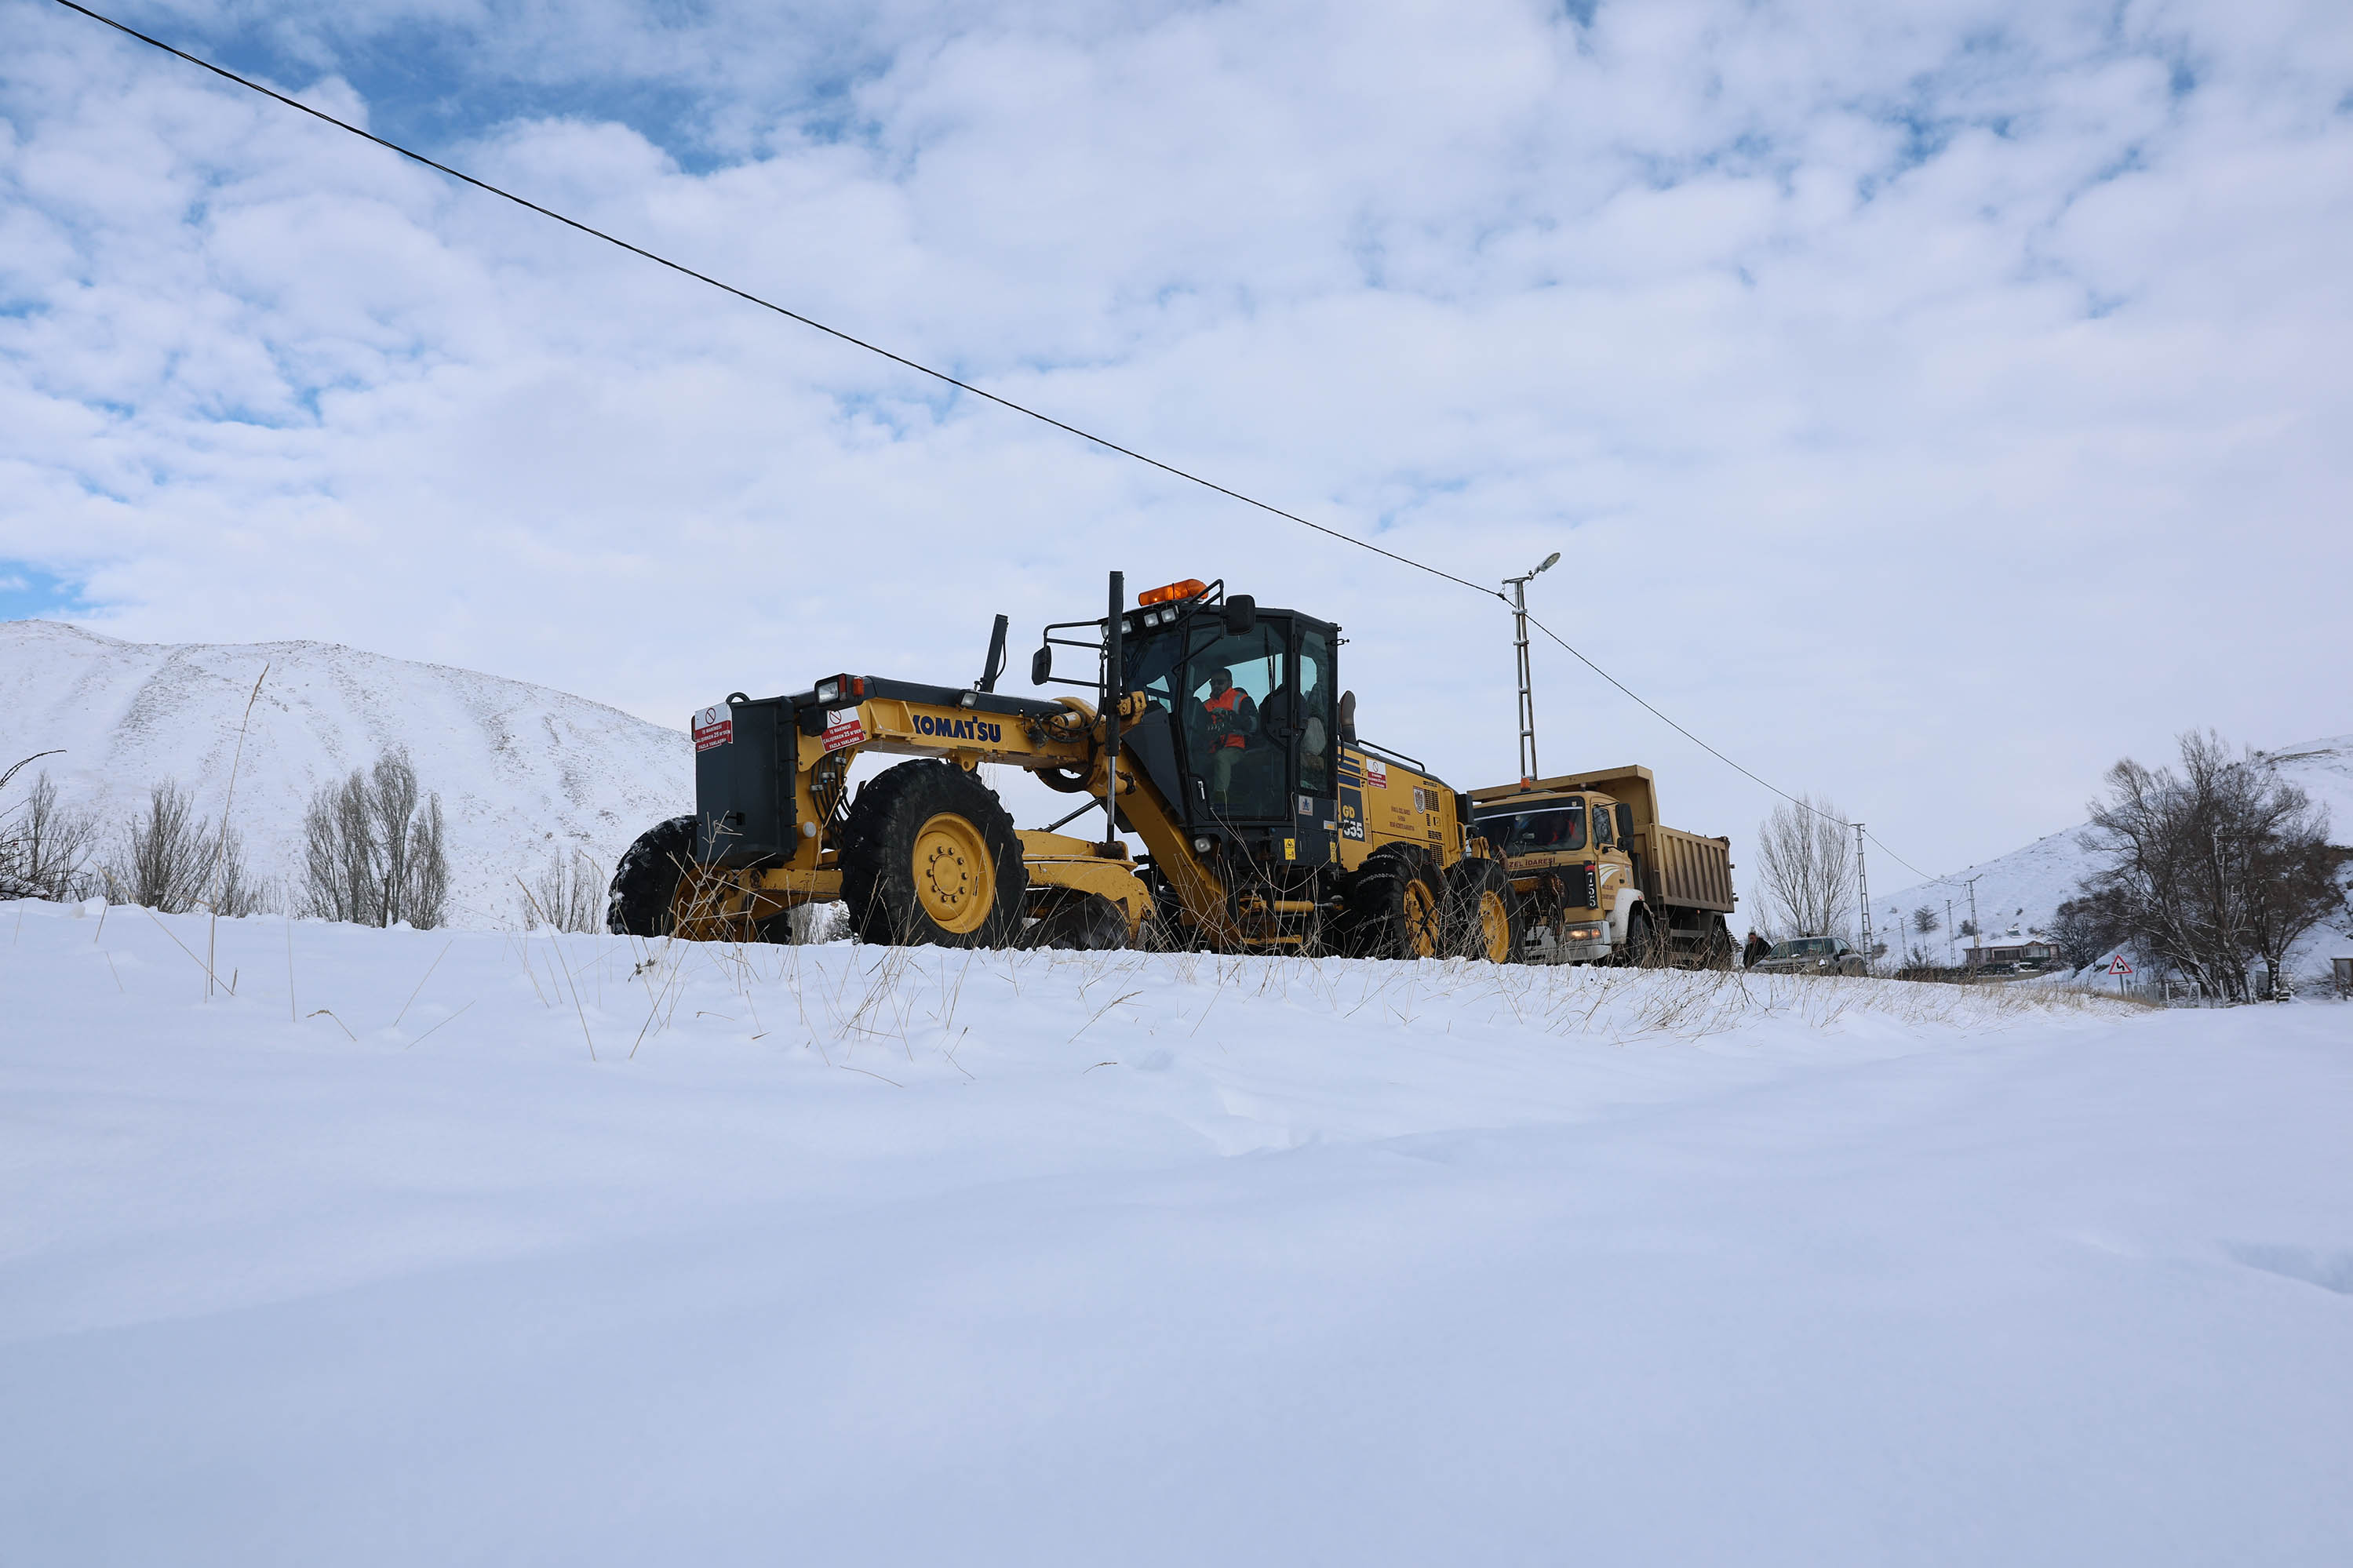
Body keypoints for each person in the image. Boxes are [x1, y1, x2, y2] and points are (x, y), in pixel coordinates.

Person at [1200, 668, 1257, 800]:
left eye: (1220, 682)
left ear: (1230, 683)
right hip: (1210, 749)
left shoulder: (1242, 699)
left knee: (1222, 758)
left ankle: (1220, 800)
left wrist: (1231, 717)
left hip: (1236, 748)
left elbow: (1254, 724)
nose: (1216, 686)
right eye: (1212, 683)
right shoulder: (1204, 706)